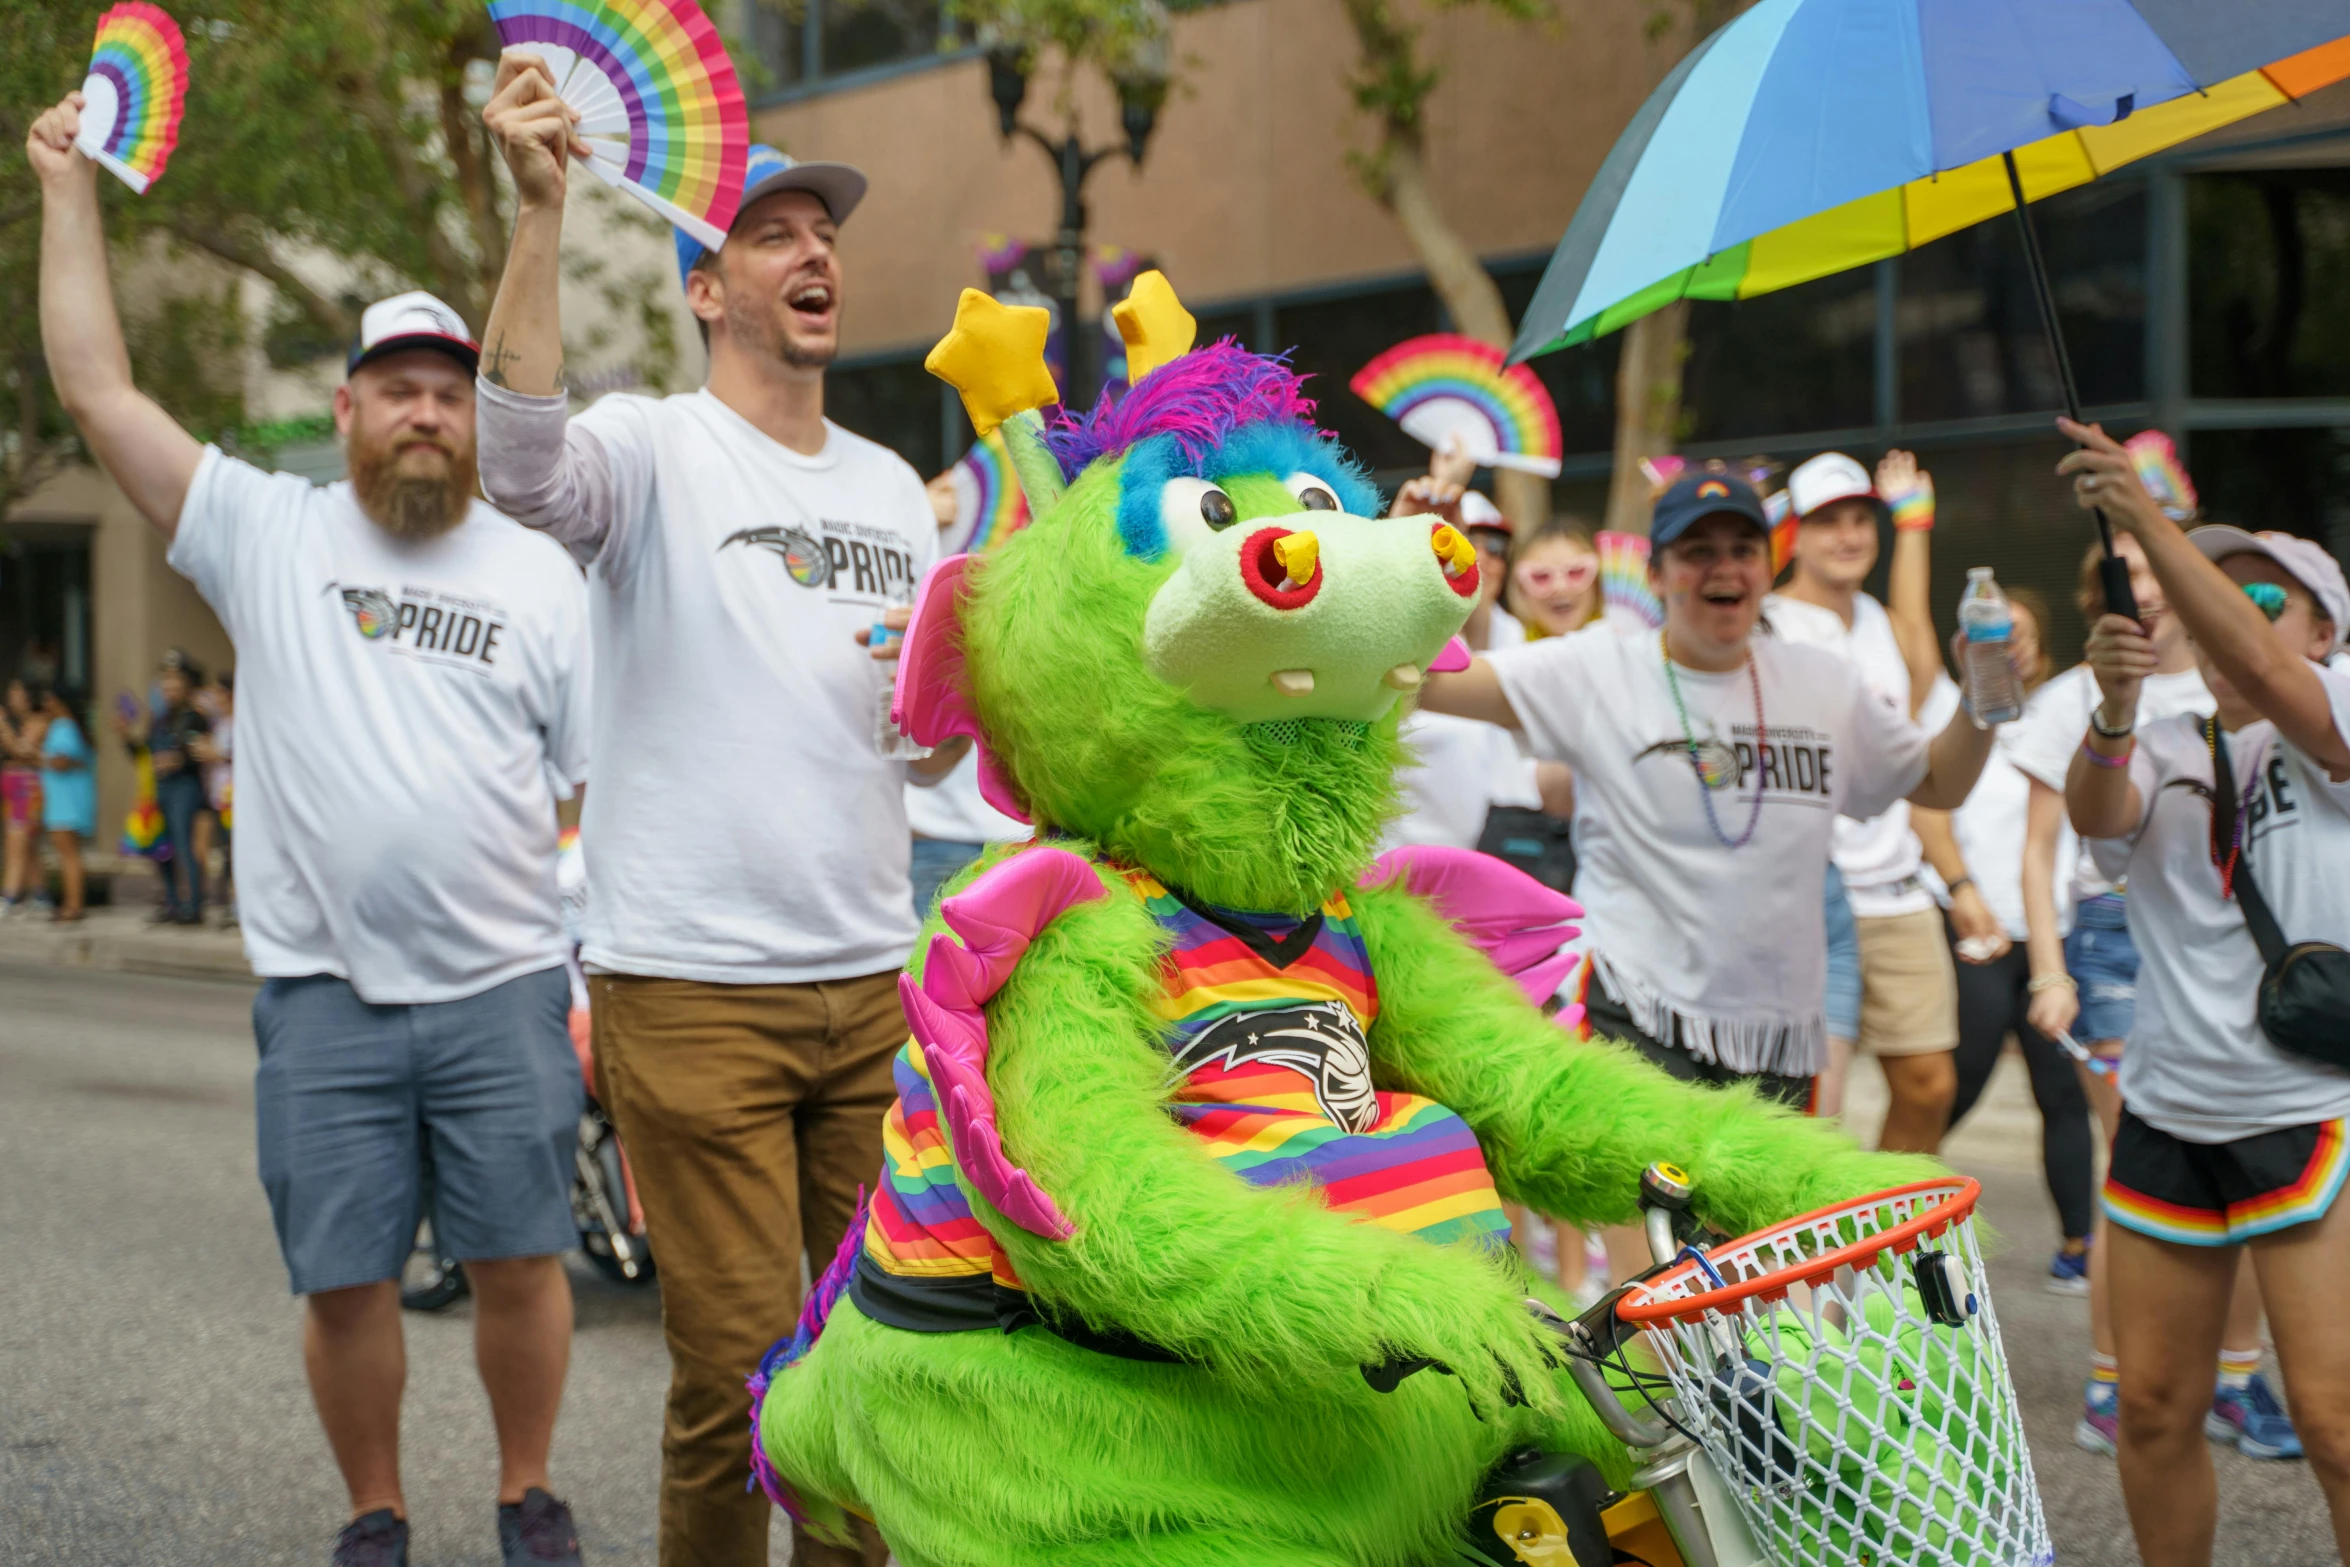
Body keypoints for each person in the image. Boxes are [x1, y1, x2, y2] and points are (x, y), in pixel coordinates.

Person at [34, 92, 595, 1567]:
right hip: (324, 1000)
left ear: (477, 414)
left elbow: (590, 790)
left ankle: (527, 1488)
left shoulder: (541, 576)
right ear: (342, 409)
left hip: (504, 992)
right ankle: (375, 1508)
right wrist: (66, 188)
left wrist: (599, 982)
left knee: (521, 1262)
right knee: (343, 1278)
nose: (424, 407)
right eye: (395, 385)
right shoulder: (262, 532)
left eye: (448, 388)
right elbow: (97, 387)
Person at [475, 53, 955, 1567]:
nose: (815, 253)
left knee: (877, 1365)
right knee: (745, 1376)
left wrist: (940, 709)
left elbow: (921, 753)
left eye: (826, 234)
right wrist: (540, 220)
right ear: (705, 287)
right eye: (772, 233)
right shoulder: (648, 444)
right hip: (689, 985)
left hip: (871, 980)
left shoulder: (893, 486)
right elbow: (513, 463)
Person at [1421, 471, 2001, 1105]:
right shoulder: (1597, 669)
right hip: (1637, 1009)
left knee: (1768, 1207)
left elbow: (1939, 782)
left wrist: (1981, 697)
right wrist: (1425, 556)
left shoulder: (1825, 684)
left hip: (1776, 1028)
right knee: (1634, 1203)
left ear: (1767, 565)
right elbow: (1431, 683)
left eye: (1742, 550)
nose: (1724, 569)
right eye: (1698, 552)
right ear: (1658, 574)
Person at [2058, 417, 2350, 1567]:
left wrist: (2141, 517)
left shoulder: (2334, 708)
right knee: (2154, 1410)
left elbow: (2274, 672)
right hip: (2169, 1114)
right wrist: (2115, 710)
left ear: (2326, 626)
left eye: (2267, 598)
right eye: (2213, 593)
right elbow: (2096, 822)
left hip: (2309, 1113)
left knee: (2333, 1423)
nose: (2236, 614)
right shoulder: (2173, 740)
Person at [2010, 532, 2291, 1458]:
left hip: (2234, 937)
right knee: (2135, 1163)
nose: (2149, 592)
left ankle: (2236, 1382)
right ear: (2104, 591)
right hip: (2113, 943)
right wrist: (2048, 969)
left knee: (2252, 1156)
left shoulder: (2247, 669)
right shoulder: (2067, 699)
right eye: (2124, 573)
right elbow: (2043, 848)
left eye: (2161, 570)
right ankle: (2112, 1380)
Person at [1767, 450, 1957, 1153]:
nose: (1847, 535)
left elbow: (1921, 660)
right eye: (1826, 522)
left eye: (1859, 519)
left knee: (1931, 1083)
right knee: (1809, 1108)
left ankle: (1887, 1244)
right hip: (1810, 896)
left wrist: (1914, 525)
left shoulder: (1882, 619)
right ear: (1796, 533)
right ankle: (1798, 1250)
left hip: (1896, 888)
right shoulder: (1765, 622)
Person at [1914, 589, 2099, 1297]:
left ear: (2042, 640)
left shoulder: (2069, 704)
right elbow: (1925, 813)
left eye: (2018, 633)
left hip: (2053, 932)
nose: (2007, 646)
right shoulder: (1953, 713)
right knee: (1956, 1077)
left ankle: (2080, 1244)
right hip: (1977, 931)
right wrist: (1964, 895)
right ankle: (1887, 1204)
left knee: (2062, 1091)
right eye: (1991, 636)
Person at [118, 651, 212, 924]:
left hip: (184, 787)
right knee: (162, 847)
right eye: (166, 681)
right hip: (160, 788)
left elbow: (199, 752)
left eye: (174, 681)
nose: (168, 687)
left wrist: (178, 759)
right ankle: (172, 901)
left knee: (184, 845)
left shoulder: (195, 716)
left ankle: (193, 905)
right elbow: (142, 755)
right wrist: (126, 736)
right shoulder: (159, 718)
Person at [34, 688, 91, 921]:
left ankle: (73, 905)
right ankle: (71, 903)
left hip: (66, 801)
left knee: (68, 853)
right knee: (68, 853)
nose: (46, 704)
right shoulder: (66, 726)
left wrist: (37, 756)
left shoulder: (64, 726)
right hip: (64, 799)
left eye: (49, 699)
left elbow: (62, 761)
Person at [1507, 515, 1603, 638]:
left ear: (1597, 582)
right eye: (1541, 577)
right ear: (1521, 589)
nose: (1560, 587)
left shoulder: (1627, 646)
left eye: (1576, 572)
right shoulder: (1507, 646)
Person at [0, 678, 47, 912]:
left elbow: (22, 751)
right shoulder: (22, 723)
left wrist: (3, 727)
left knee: (16, 840)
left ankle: (9, 895)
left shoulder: (38, 722)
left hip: (26, 788)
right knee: (28, 845)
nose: (11, 697)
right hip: (13, 788)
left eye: (16, 692)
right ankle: (40, 894)